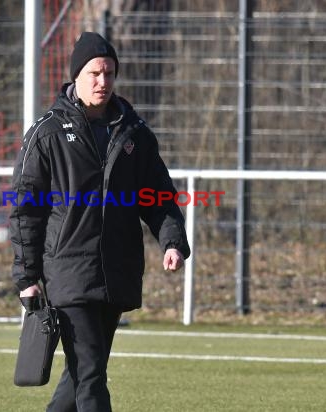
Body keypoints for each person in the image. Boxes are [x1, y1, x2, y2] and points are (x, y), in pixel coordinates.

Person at [10, 32, 191, 412]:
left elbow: (159, 196)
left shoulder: (134, 133)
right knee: (91, 377)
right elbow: (26, 212)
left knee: (79, 376)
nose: (103, 82)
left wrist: (172, 241)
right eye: (94, 73)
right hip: (68, 272)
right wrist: (26, 277)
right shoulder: (48, 133)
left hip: (117, 270)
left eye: (109, 73)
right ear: (76, 75)